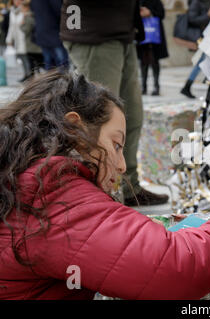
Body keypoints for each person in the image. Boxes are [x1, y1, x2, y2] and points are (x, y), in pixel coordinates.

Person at [0, 70, 210, 299]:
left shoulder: (20, 172)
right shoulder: (50, 190)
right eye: (116, 145)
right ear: (75, 130)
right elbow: (175, 267)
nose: (121, 166)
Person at [60, 0, 169, 206]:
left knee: (131, 118)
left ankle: (128, 188)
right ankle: (101, 194)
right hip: (93, 33)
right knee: (101, 122)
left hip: (121, 32)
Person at [180, 0, 210, 99]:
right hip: (203, 37)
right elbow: (192, 19)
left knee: (205, 61)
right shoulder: (196, 2)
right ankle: (188, 86)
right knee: (202, 61)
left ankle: (188, 86)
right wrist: (207, 16)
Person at [137, 0, 169, 96]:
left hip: (154, 35)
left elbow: (161, 14)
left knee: (154, 61)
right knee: (143, 61)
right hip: (142, 35)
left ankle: (156, 86)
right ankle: (144, 86)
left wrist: (150, 12)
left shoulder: (156, 1)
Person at [30, 0, 68, 70]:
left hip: (42, 33)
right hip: (54, 33)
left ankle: (50, 79)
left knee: (48, 61)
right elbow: (60, 12)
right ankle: (63, 79)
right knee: (61, 62)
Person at [5, 0, 29, 82]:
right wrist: (9, 39)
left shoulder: (25, 9)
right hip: (17, 38)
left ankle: (29, 74)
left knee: (26, 57)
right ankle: (26, 74)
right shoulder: (12, 11)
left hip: (25, 37)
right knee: (21, 57)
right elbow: (11, 27)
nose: (17, 1)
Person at [20, 0, 43, 80]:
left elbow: (26, 30)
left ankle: (32, 80)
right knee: (39, 64)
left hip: (30, 45)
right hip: (37, 44)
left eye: (22, 8)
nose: (21, 10)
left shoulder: (27, 17)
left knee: (32, 64)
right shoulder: (35, 15)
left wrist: (21, 25)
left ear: (26, 8)